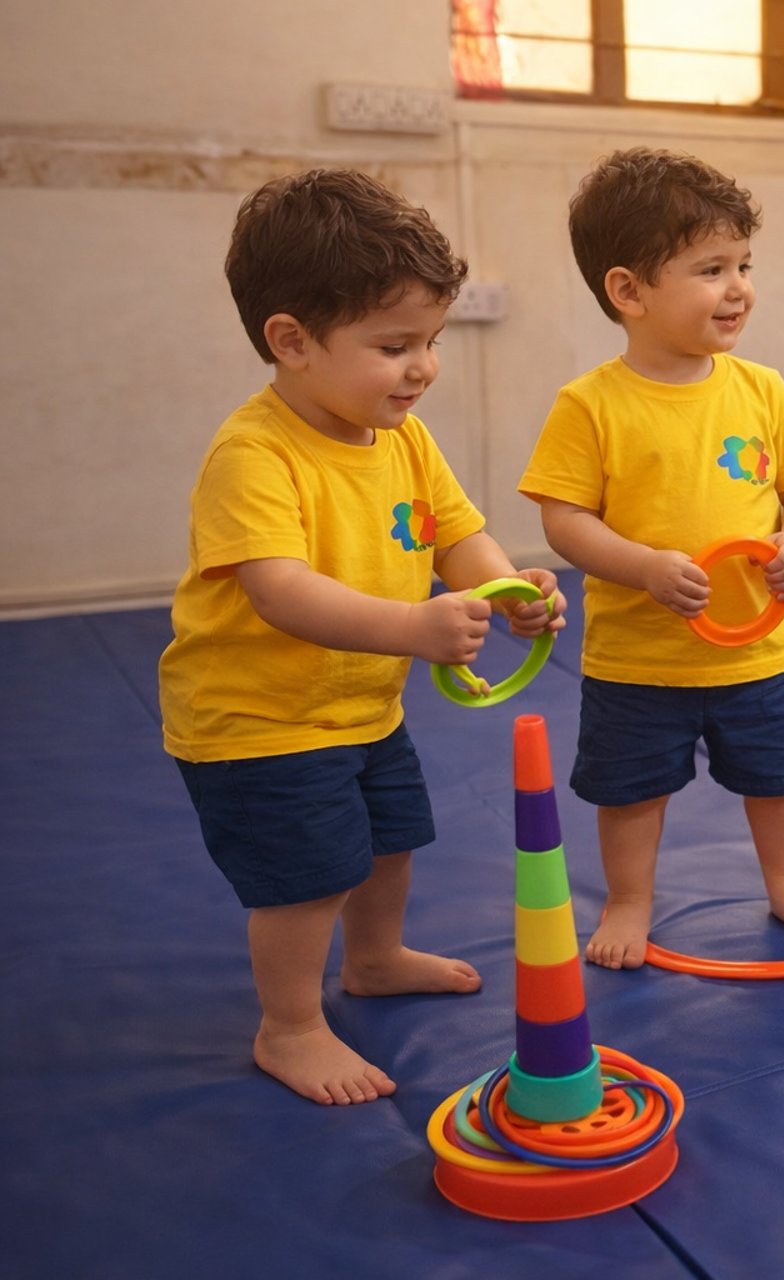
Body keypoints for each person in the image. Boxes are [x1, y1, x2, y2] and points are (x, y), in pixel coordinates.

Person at [159, 169, 568, 1104]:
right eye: (394, 346)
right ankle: (291, 1026)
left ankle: (375, 959)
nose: (423, 366)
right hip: (259, 720)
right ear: (293, 342)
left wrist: (504, 588)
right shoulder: (252, 455)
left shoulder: (404, 439)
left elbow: (456, 532)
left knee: (390, 841)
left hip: (360, 705)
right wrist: (414, 627)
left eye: (429, 340)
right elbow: (281, 592)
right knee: (308, 879)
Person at [519, 148, 784, 971]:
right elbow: (564, 519)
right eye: (710, 268)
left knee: (780, 778)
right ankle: (630, 900)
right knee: (630, 789)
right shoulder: (590, 405)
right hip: (640, 658)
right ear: (629, 291)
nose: (738, 286)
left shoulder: (761, 390)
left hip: (759, 649)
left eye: (743, 264)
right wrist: (640, 567)